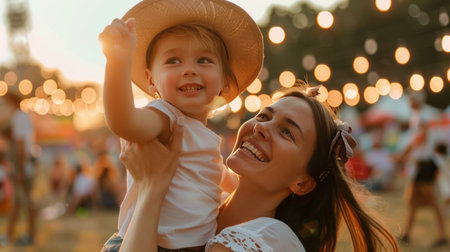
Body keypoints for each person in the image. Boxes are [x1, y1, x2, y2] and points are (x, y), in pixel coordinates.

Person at [116, 87, 399, 252]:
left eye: (287, 133)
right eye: (264, 116)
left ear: (302, 183)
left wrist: (152, 186)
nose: (261, 127)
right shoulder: (198, 216)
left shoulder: (263, 239)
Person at [98, 0, 263, 250]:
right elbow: (125, 121)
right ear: (152, 81)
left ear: (225, 82)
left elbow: (224, 180)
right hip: (148, 243)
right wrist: (117, 62)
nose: (189, 70)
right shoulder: (164, 117)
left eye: (204, 60)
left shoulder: (205, 139)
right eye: (173, 61)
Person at [397, 124, 448, 247]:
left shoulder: (422, 126)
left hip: (426, 171)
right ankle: (407, 234)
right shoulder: (419, 126)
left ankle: (442, 236)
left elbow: (416, 145)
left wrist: (400, 157)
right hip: (420, 172)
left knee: (434, 204)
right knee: (413, 205)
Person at [0, 91, 36, 246]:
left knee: (27, 201)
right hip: (19, 167)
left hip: (23, 168)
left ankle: (30, 235)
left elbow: (21, 146)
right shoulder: (17, 117)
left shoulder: (20, 118)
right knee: (16, 202)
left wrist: (20, 170)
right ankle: (9, 235)